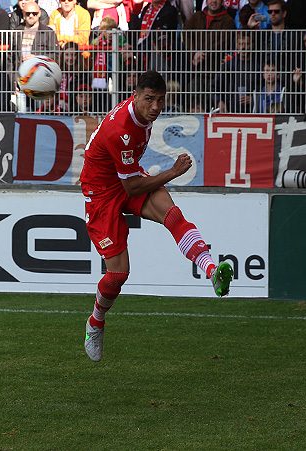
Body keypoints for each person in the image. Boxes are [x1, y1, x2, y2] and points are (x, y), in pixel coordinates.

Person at [80, 70, 234, 362]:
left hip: (125, 178)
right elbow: (133, 187)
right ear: (135, 96)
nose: (155, 107)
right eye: (149, 99)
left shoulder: (143, 116)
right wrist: (172, 172)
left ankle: (212, 271)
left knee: (172, 215)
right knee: (118, 275)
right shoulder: (120, 130)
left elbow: (131, 180)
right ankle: (95, 322)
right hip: (101, 194)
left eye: (160, 100)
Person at [7, 0, 58, 111]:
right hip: (21, 81)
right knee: (21, 116)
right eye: (28, 13)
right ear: (23, 14)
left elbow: (55, 55)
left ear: (39, 14)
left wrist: (37, 58)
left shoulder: (48, 32)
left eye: (34, 13)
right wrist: (13, 82)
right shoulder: (17, 31)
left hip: (40, 81)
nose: (31, 16)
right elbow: (10, 59)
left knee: (39, 114)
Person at [213, 32, 259, 113]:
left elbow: (264, 88)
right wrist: (219, 101)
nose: (243, 47)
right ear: (237, 45)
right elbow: (215, 86)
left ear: (252, 45)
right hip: (231, 110)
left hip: (252, 111)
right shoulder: (228, 66)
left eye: (246, 44)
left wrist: (254, 98)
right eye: (240, 44)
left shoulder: (258, 66)